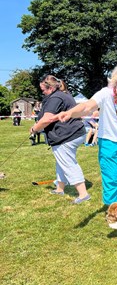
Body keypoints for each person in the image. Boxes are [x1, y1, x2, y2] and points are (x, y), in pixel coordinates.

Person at [52, 63, 117, 207]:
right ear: (115, 82)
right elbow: (87, 106)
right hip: (108, 142)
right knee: (111, 178)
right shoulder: (105, 93)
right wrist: (70, 112)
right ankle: (113, 209)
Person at [29, 75, 90, 204]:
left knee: (68, 163)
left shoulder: (55, 98)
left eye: (43, 90)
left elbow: (47, 119)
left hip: (66, 135)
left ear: (50, 88)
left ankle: (83, 194)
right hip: (75, 132)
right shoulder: (64, 94)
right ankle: (59, 189)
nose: (43, 92)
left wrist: (35, 129)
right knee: (61, 161)